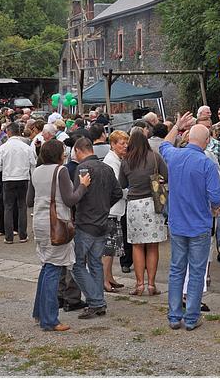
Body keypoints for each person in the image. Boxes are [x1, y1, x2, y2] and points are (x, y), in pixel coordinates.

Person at [160, 112, 220, 331]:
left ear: (188, 138)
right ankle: (191, 317)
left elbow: (164, 145)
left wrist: (176, 127)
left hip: (177, 224)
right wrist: (215, 207)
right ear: (206, 142)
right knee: (196, 272)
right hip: (199, 225)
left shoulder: (174, 156)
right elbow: (216, 196)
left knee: (176, 269)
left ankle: (174, 315)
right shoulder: (206, 164)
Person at [29, 139, 90, 332]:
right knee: (54, 269)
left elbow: (29, 199)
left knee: (47, 266)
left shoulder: (37, 171)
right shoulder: (60, 170)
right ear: (59, 154)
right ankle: (49, 319)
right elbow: (70, 199)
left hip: (40, 221)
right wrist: (83, 185)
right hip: (56, 223)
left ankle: (41, 312)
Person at [65, 137, 123, 320]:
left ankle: (96, 301)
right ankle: (97, 302)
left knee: (77, 264)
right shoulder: (106, 167)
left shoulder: (83, 169)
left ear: (79, 150)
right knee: (96, 263)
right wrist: (105, 206)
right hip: (102, 222)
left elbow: (76, 195)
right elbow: (118, 192)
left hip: (86, 222)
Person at [119, 128, 169, 296]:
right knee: (153, 246)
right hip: (153, 204)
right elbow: (167, 175)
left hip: (134, 205)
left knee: (137, 246)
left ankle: (139, 284)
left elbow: (122, 183)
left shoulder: (126, 160)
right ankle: (152, 284)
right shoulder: (154, 157)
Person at [0, 122, 37, 244]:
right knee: (22, 206)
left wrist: (5, 168)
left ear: (8, 132)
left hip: (8, 178)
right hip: (23, 178)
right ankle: (23, 235)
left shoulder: (3, 147)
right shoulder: (26, 147)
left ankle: (9, 237)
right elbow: (33, 162)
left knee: (8, 207)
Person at [102, 130, 129, 293]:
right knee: (108, 247)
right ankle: (104, 279)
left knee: (112, 248)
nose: (125, 146)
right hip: (111, 209)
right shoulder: (111, 161)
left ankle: (109, 277)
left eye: (126, 143)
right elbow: (116, 187)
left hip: (116, 209)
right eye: (122, 143)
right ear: (112, 144)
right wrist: (131, 192)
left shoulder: (117, 159)